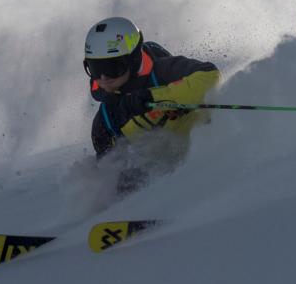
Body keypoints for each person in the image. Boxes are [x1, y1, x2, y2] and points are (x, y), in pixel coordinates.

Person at [84, 16, 220, 191]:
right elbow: (112, 171)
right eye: (95, 68)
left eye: (112, 67)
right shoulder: (106, 122)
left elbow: (210, 76)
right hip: (170, 183)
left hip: (210, 154)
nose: (103, 78)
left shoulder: (164, 71)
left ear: (132, 59)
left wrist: (154, 97)